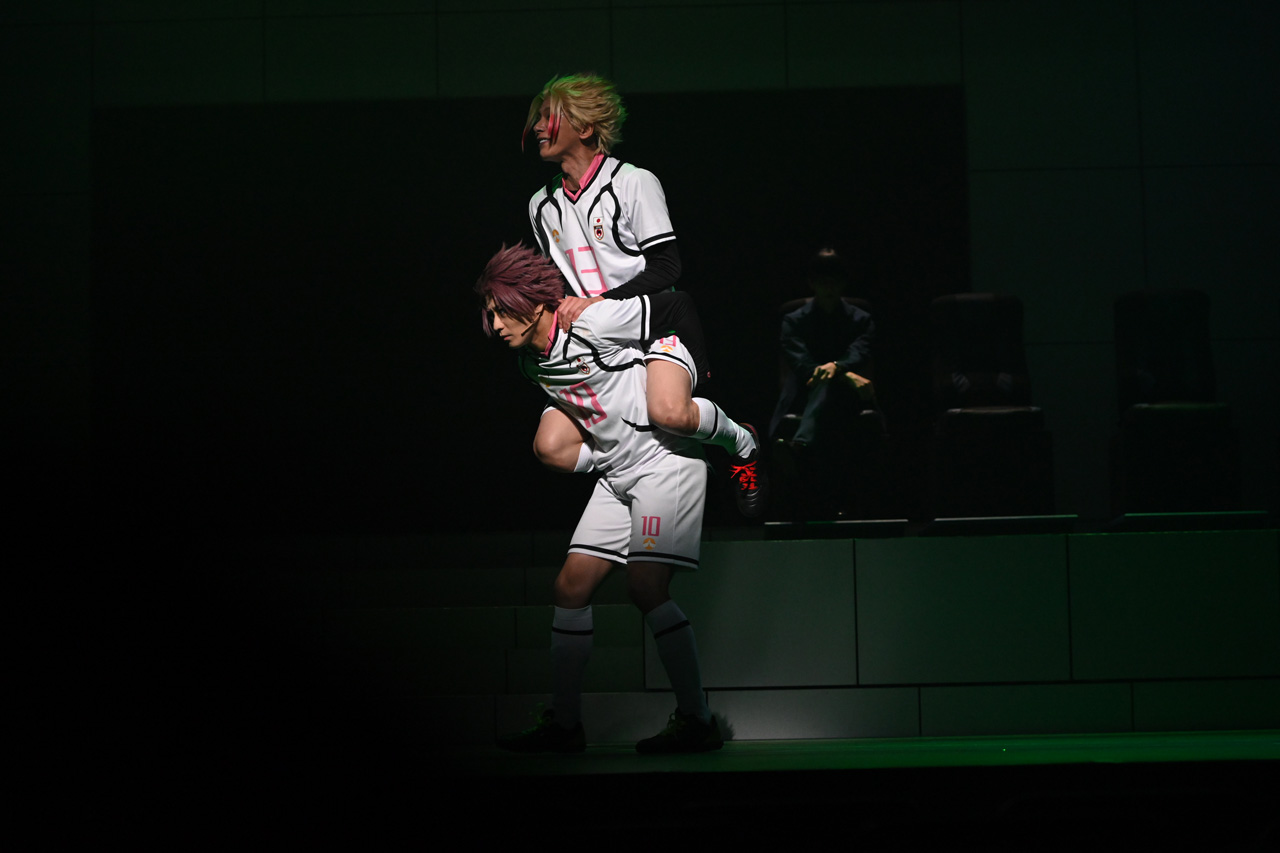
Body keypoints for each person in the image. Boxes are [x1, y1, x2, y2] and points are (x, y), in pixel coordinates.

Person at [478, 243, 724, 754]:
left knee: (646, 586)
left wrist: (689, 383)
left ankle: (698, 720)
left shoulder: (591, 322)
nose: (496, 324)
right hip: (616, 475)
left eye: (504, 311)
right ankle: (566, 725)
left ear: (536, 303)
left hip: (665, 460)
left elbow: (676, 307)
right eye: (490, 314)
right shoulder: (529, 364)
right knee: (569, 588)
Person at [522, 73, 765, 516]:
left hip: (656, 326)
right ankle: (638, 464)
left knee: (669, 413)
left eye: (548, 117)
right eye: (537, 117)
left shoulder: (634, 182)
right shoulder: (541, 204)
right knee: (550, 446)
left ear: (585, 127)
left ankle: (741, 441)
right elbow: (558, 284)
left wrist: (602, 302)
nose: (537, 126)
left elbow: (668, 268)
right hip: (596, 341)